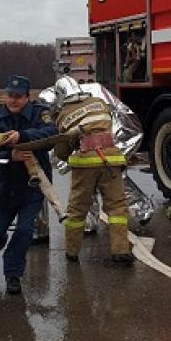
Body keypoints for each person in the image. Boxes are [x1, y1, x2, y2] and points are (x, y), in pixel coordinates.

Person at [0, 74, 58, 296]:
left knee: (25, 231)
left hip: (32, 187)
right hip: (5, 187)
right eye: (10, 96)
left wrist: (22, 136)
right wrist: (9, 156)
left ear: (27, 97)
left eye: (18, 97)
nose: (13, 100)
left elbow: (52, 133)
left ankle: (13, 274)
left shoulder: (39, 114)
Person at [53, 75, 134, 265]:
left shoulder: (64, 114)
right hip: (111, 159)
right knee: (117, 207)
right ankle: (120, 250)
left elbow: (63, 150)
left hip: (85, 163)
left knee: (77, 209)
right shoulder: (98, 102)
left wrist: (66, 151)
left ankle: (72, 251)